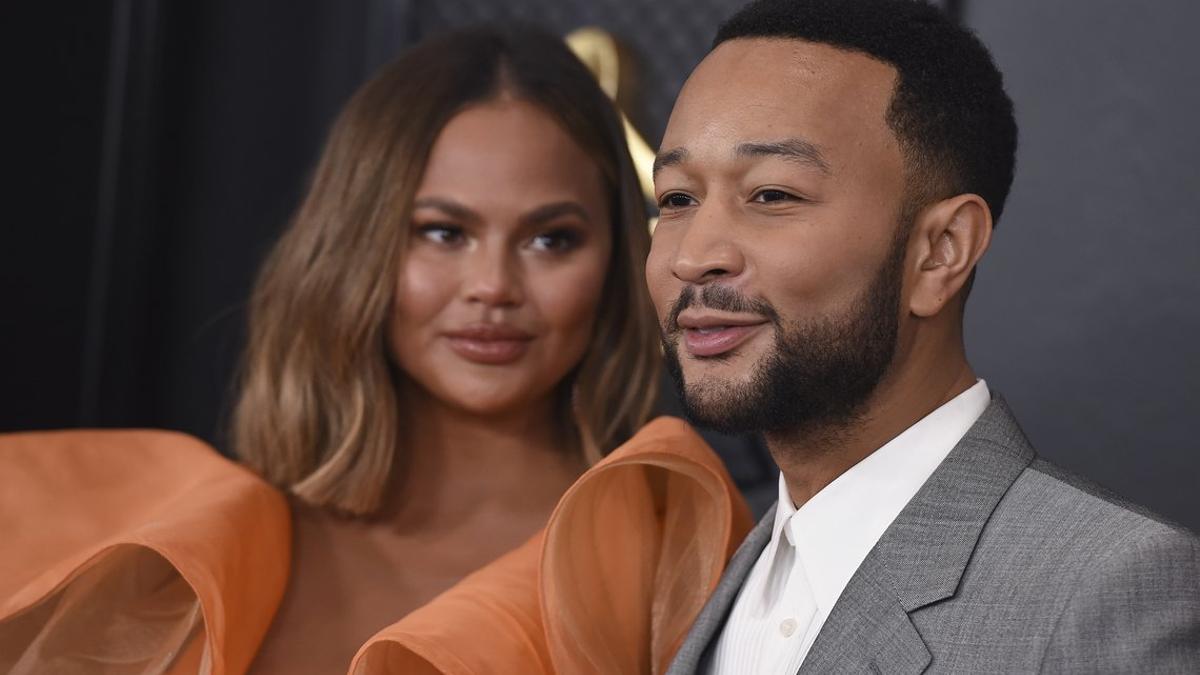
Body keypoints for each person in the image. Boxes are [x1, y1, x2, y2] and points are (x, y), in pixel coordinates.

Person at [2, 25, 754, 675]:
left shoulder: (670, 550)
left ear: (618, 260)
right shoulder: (176, 533)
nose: (492, 285)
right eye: (442, 232)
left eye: (550, 238)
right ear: (355, 245)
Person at [647, 1, 1200, 673]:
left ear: (940, 251)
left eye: (771, 195)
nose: (692, 254)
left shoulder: (1104, 591)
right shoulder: (706, 576)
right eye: (677, 199)